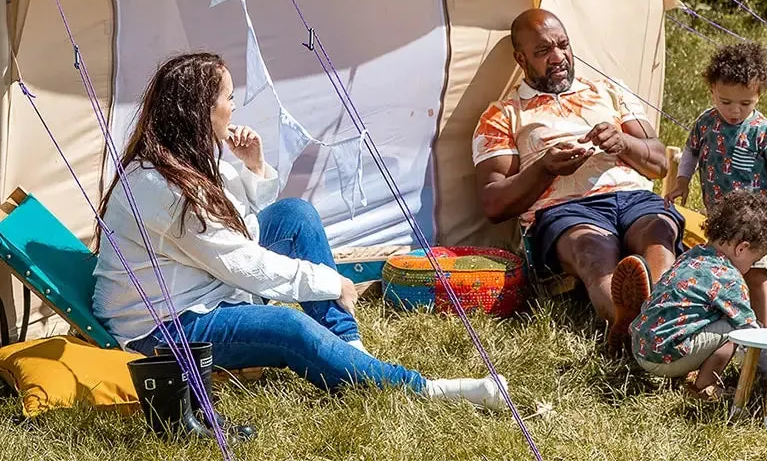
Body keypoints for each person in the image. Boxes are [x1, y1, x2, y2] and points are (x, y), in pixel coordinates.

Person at [93, 52, 506, 409]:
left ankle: (351, 354)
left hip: (200, 288)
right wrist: (329, 281)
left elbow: (240, 222)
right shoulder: (162, 187)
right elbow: (241, 262)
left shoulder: (182, 160)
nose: (234, 108)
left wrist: (252, 166)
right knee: (290, 329)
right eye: (229, 98)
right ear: (200, 109)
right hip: (162, 326)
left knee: (294, 214)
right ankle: (428, 390)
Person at [472, 9, 685, 354]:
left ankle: (653, 323)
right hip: (568, 211)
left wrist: (623, 142)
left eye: (563, 46)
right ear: (521, 58)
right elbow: (493, 204)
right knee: (592, 253)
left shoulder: (609, 91)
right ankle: (637, 327)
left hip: (633, 197)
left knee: (658, 233)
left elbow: (659, 163)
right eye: (543, 52)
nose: (558, 58)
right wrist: (545, 167)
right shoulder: (503, 114)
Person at [665, 42, 767, 331]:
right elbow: (691, 153)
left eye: (745, 103)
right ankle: (725, 329)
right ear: (712, 91)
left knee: (756, 275)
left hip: (756, 221)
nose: (735, 111)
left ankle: (762, 339)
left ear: (758, 95)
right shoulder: (705, 124)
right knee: (719, 273)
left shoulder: (765, 131)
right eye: (725, 101)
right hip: (720, 219)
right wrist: (682, 181)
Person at [630, 190, 767, 400]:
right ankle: (704, 387)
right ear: (742, 248)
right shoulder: (729, 278)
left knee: (712, 317)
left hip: (640, 348)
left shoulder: (692, 255)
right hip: (663, 358)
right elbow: (750, 333)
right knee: (733, 329)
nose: (750, 267)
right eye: (754, 259)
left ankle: (690, 364)